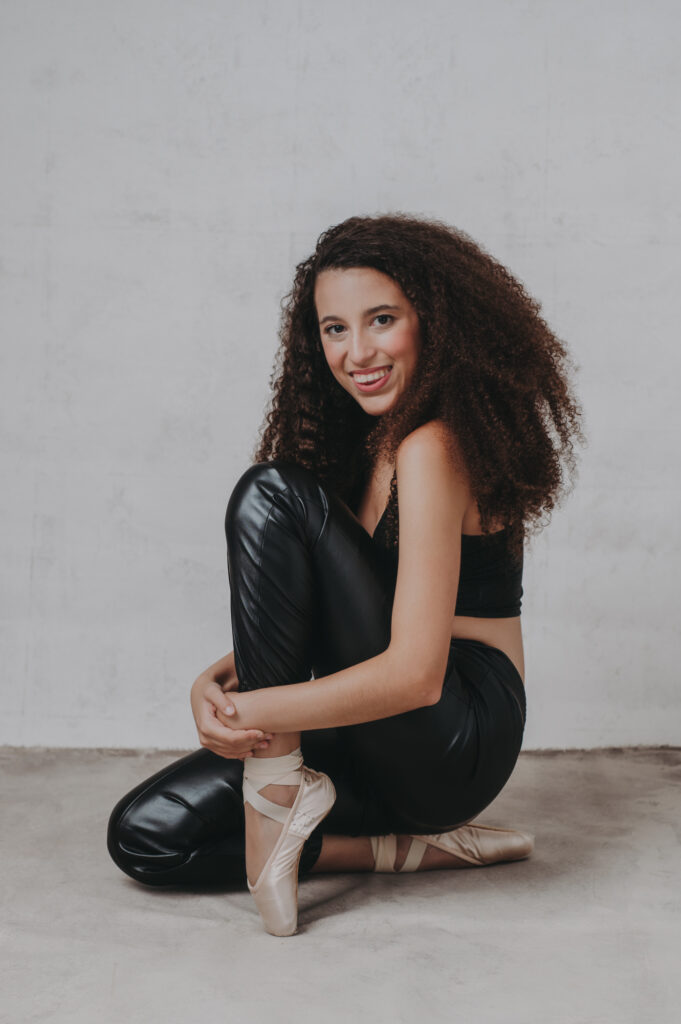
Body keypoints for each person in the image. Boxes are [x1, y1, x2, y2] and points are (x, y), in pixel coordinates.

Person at [107, 213, 584, 937]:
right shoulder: (360, 441)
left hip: (453, 735)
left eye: (381, 319)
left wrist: (256, 718)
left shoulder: (436, 445)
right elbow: (326, 618)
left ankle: (276, 790)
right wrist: (219, 682)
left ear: (436, 323)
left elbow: (416, 675)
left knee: (268, 491)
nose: (356, 351)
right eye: (333, 328)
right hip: (367, 728)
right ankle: (402, 849)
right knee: (144, 835)